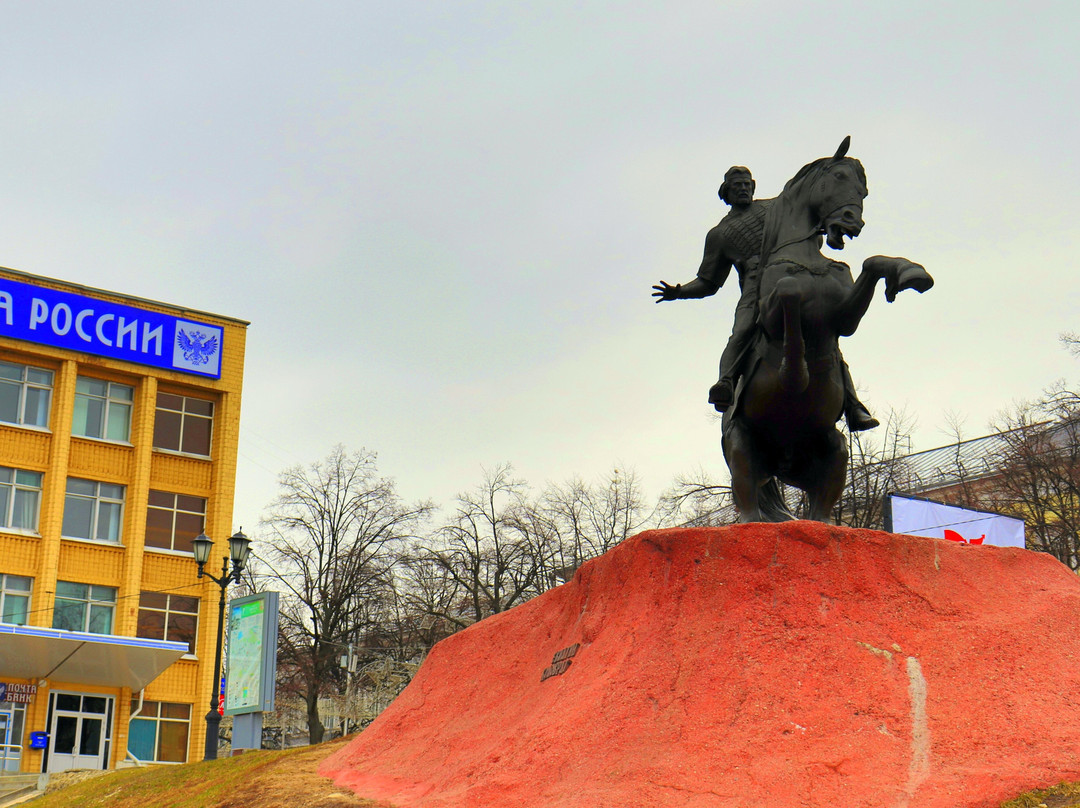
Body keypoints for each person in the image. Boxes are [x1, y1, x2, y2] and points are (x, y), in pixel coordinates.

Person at [652, 166, 878, 431]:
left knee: (824, 332)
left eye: (747, 184)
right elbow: (708, 282)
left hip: (797, 267)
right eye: (737, 185)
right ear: (726, 192)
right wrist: (679, 292)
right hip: (756, 286)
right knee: (742, 330)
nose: (744, 188)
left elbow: (807, 215)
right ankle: (726, 381)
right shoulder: (720, 234)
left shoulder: (775, 207)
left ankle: (852, 404)